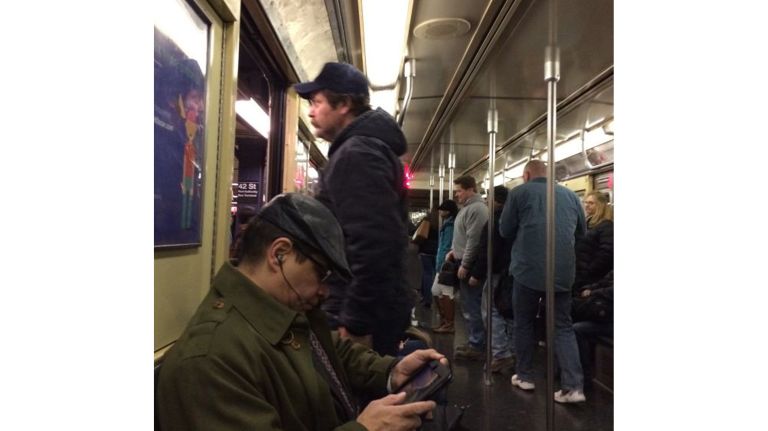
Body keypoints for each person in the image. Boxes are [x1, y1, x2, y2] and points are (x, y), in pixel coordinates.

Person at [157, 193, 447, 431]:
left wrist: (390, 372)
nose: (325, 291)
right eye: (320, 273)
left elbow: (329, 353)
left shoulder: (281, 309)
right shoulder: (210, 361)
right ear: (279, 254)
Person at [294, 62, 412, 356]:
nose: (310, 112)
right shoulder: (364, 150)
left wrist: (356, 323)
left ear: (344, 104)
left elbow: (374, 243)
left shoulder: (357, 154)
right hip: (367, 304)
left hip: (358, 310)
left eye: (317, 102)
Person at [499, 160, 588, 404]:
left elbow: (505, 230)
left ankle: (525, 376)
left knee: (524, 323)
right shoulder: (571, 196)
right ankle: (574, 387)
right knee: (563, 326)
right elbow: (582, 233)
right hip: (562, 273)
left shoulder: (519, 193)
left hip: (527, 270)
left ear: (526, 175)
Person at [469, 185, 515, 373]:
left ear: (496, 200)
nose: (487, 201)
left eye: (489, 198)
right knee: (510, 313)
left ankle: (500, 354)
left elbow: (488, 250)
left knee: (491, 311)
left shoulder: (495, 221)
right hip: (513, 271)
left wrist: (476, 274)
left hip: (496, 272)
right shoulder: (515, 219)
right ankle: (512, 351)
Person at [446, 175, 489, 360]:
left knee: (473, 306)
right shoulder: (467, 209)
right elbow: (464, 237)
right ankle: (474, 341)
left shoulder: (477, 210)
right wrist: (453, 251)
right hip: (462, 259)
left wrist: (465, 263)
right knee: (467, 305)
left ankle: (478, 345)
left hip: (469, 264)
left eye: (459, 191)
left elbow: (474, 241)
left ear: (471, 189)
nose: (457, 195)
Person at [573, 190, 614, 292]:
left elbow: (606, 253)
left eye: (591, 203)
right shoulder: (588, 223)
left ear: (600, 205)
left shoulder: (607, 226)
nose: (586, 205)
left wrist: (589, 270)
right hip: (582, 275)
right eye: (585, 202)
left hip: (594, 278)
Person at [432, 200, 458, 333]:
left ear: (447, 211)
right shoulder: (448, 224)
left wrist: (441, 262)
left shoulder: (450, 226)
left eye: (442, 209)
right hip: (442, 262)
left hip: (445, 263)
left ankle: (449, 323)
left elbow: (446, 246)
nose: (440, 212)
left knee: (446, 292)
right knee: (436, 291)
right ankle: (445, 320)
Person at [412, 211, 439, 308]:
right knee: (435, 274)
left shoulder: (426, 221)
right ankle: (436, 297)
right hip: (437, 251)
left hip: (425, 251)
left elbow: (416, 232)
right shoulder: (442, 222)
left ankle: (427, 298)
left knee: (426, 274)